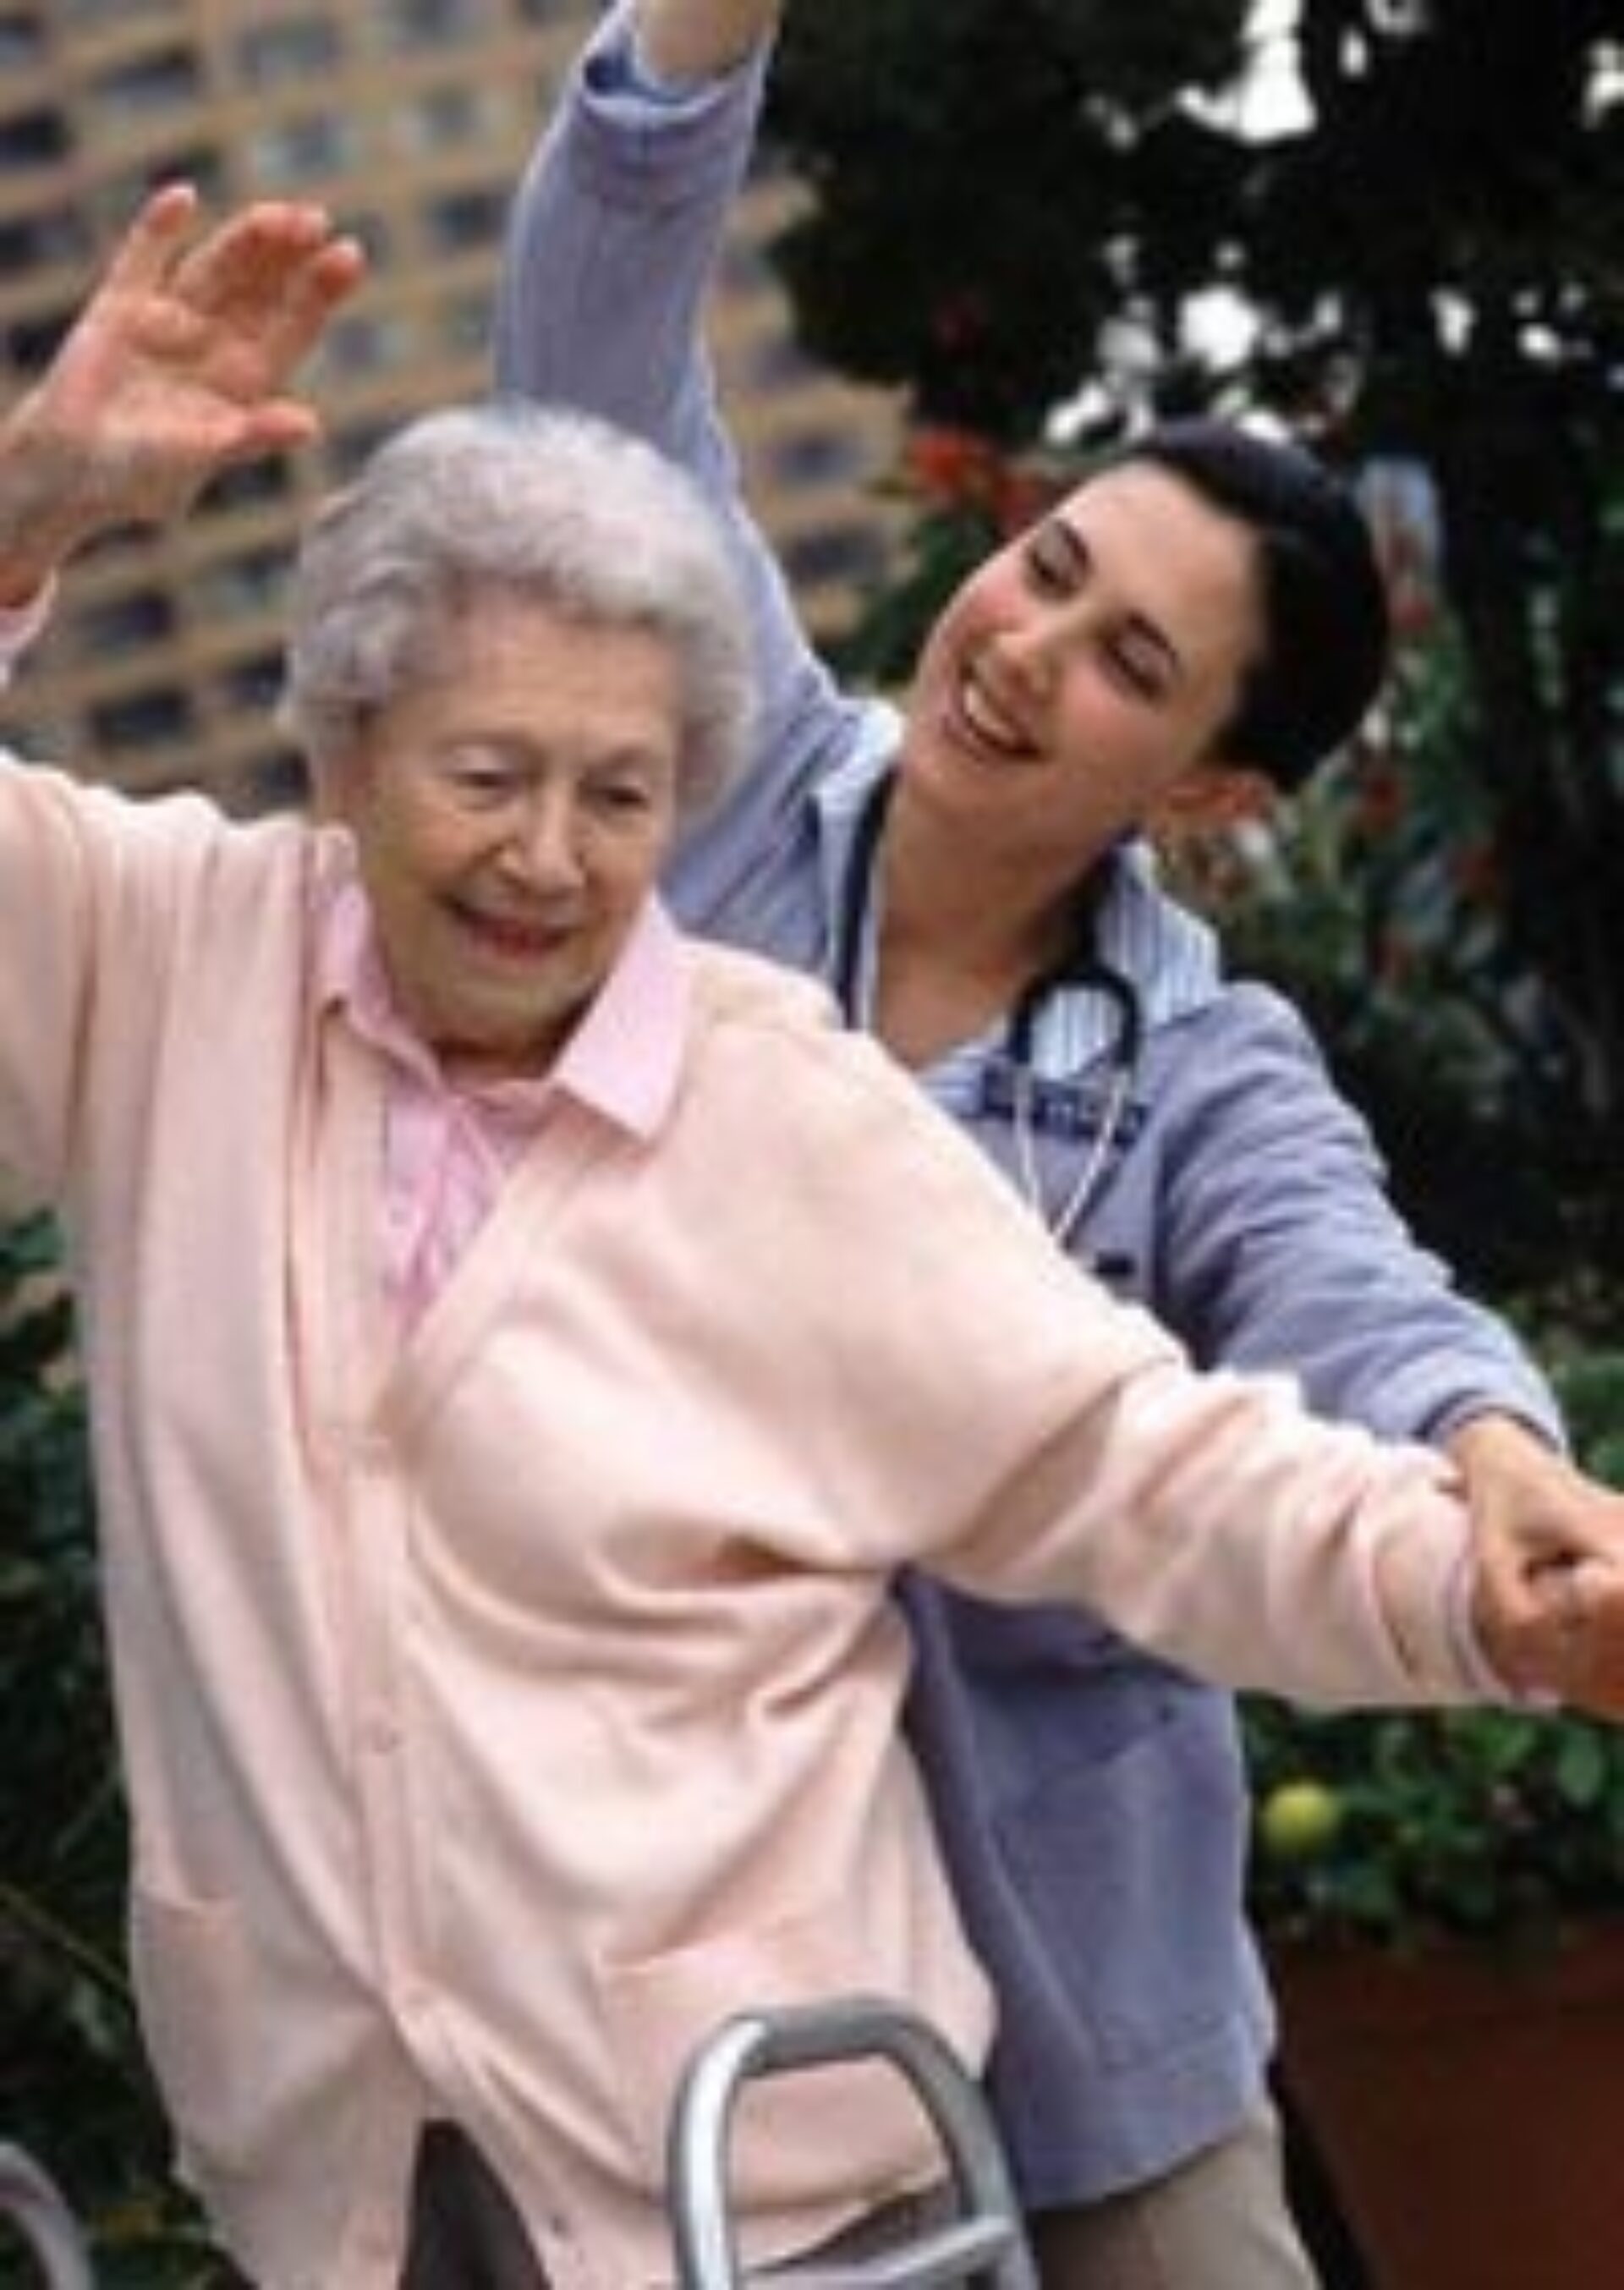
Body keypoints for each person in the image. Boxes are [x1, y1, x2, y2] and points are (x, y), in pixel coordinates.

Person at [8, 187, 1624, 2290]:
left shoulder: (796, 1100)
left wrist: (1481, 1583)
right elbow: (603, 301)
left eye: (620, 796)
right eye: (486, 774)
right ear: (346, 743)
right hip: (342, 2182)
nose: (547, 857)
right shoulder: (161, 965)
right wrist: (29, 507)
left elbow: (1145, 1453)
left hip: (778, 2159)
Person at [491, 7, 1624, 2283]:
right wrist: (700, 46)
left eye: (1130, 661)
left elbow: (1340, 1279)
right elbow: (593, 386)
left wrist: (1494, 1446)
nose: (1024, 644)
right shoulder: (721, 787)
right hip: (696, 2002)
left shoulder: (1200, 1067)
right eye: (1050, 562)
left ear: (1206, 791)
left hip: (1087, 2022)